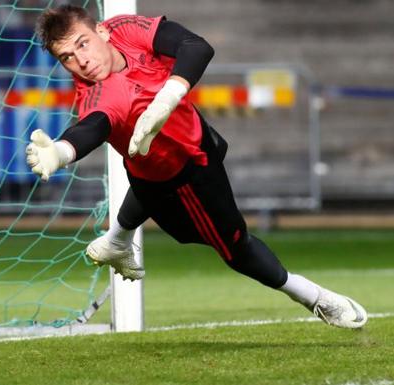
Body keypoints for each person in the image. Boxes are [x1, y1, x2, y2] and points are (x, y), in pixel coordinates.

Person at [25, 5, 367, 329]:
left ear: (102, 30)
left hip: (189, 138)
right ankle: (314, 296)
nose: (81, 61)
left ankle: (117, 238)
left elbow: (196, 46)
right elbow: (91, 128)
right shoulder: (100, 94)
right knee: (236, 247)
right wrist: (61, 152)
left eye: (83, 44)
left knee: (216, 146)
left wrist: (168, 97)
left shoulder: (126, 29)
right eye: (67, 58)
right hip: (180, 177)